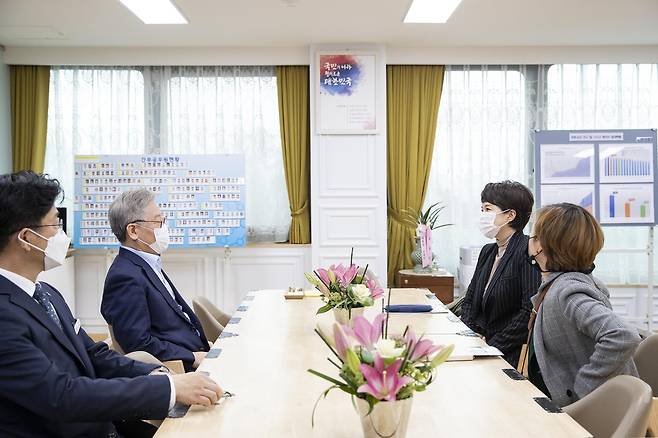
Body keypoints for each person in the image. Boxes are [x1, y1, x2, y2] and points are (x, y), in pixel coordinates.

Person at [0, 171, 222, 438]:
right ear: (26, 238)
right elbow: (61, 395)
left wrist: (158, 375)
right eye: (55, 226)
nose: (62, 235)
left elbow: (93, 355)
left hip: (108, 425)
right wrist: (170, 390)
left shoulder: (46, 293)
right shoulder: (4, 315)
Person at [526, 203, 641, 407]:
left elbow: (623, 335)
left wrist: (584, 388)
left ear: (541, 246)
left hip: (582, 413)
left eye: (532, 236)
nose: (529, 241)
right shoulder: (566, 283)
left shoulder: (567, 291)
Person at [102, 189, 210, 372]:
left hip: (196, 353)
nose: (164, 228)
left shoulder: (147, 262)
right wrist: (192, 356)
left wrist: (200, 345)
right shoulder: (125, 277)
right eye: (158, 221)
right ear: (133, 231)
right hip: (181, 370)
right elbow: (138, 344)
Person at [460, 181, 541, 367]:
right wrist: (471, 335)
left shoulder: (527, 250)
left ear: (510, 215)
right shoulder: (488, 251)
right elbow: (470, 299)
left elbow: (528, 312)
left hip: (505, 352)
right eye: (482, 209)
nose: (483, 215)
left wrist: (490, 346)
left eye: (488, 209)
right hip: (477, 344)